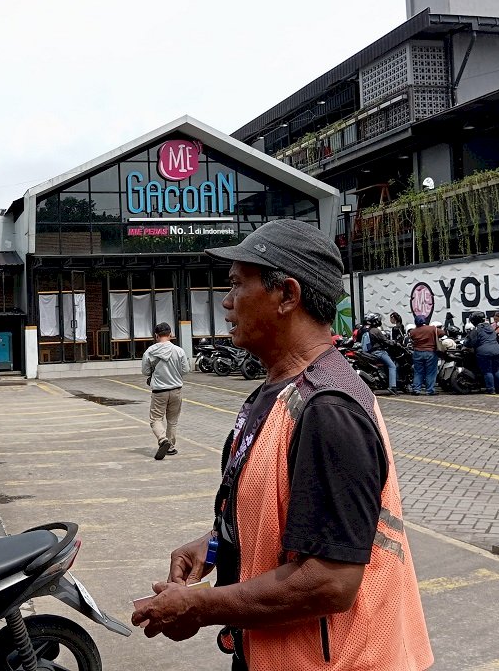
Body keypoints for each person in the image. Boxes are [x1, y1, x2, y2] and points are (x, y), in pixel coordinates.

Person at [130, 219, 432, 671]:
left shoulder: (328, 411)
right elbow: (285, 516)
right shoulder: (277, 392)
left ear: (287, 296)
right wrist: (216, 545)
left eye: (235, 285)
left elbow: (329, 582)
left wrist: (201, 606)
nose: (227, 303)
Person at [141, 322, 190, 460]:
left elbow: (145, 371)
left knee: (155, 419)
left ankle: (163, 440)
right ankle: (171, 448)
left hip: (159, 392)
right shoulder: (179, 351)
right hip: (176, 390)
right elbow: (186, 370)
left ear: (156, 336)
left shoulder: (150, 351)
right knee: (172, 420)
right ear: (170, 335)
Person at [465, 311, 499, 394]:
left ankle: (491, 389)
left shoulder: (477, 330)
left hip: (484, 352)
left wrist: (466, 343)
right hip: (497, 350)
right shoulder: (490, 327)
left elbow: (471, 342)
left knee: (487, 371)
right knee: (496, 370)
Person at [364, 312, 399, 395]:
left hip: (372, 352)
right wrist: (393, 343)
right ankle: (393, 387)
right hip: (378, 352)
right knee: (392, 366)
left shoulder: (369, 330)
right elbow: (385, 341)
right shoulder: (376, 331)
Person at [409, 315, 443, 396]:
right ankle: (430, 390)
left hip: (417, 353)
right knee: (430, 372)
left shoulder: (413, 332)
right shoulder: (432, 328)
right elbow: (442, 333)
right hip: (430, 352)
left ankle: (416, 389)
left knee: (418, 372)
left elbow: (411, 338)